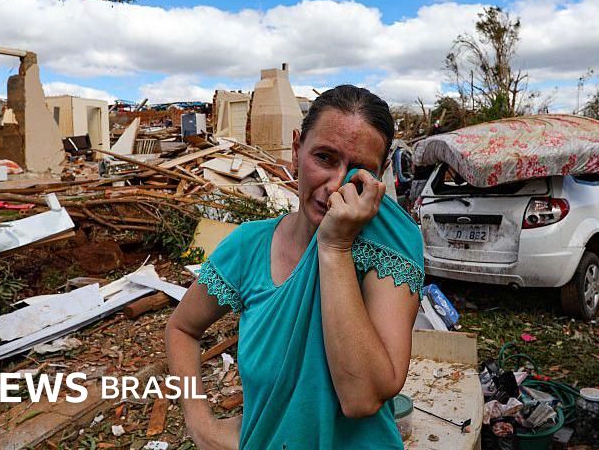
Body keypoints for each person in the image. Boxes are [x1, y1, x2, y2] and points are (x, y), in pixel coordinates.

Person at [165, 85, 424, 449]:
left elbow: (362, 397)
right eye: (324, 158)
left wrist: (335, 247)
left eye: (358, 171)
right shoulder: (248, 247)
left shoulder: (388, 250)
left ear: (379, 177)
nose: (336, 186)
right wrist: (199, 422)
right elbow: (182, 329)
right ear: (296, 149)